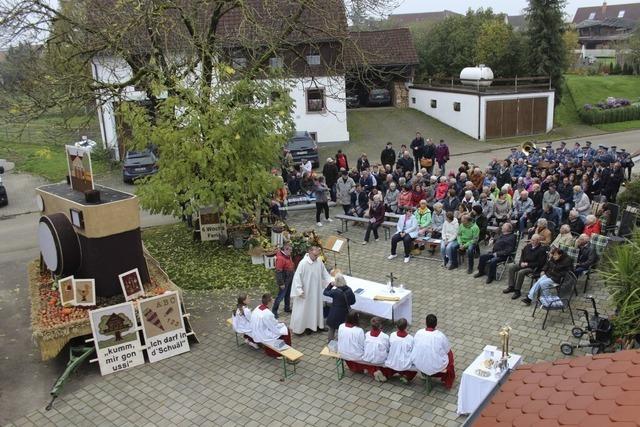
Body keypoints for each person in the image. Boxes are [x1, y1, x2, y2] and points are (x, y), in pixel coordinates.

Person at [290, 246, 333, 335]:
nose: (316, 257)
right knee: (305, 310)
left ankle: (318, 326)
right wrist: (299, 290)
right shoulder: (303, 263)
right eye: (314, 255)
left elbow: (324, 273)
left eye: (317, 255)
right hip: (306, 292)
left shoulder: (319, 261)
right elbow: (297, 278)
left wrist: (331, 281)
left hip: (316, 291)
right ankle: (306, 327)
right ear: (309, 252)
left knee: (316, 308)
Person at [411, 314, 455, 389]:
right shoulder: (440, 336)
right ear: (436, 324)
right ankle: (446, 380)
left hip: (419, 363)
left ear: (426, 323)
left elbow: (414, 345)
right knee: (450, 357)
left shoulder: (419, 333)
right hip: (436, 366)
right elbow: (448, 351)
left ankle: (424, 373)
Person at [502, 234, 547, 299]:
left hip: (532, 267)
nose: (531, 241)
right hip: (524, 263)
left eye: (533, 240)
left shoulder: (541, 250)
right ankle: (511, 286)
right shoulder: (528, 246)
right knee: (512, 267)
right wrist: (521, 262)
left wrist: (527, 264)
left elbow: (540, 263)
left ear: (538, 241)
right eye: (531, 239)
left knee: (521, 272)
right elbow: (522, 255)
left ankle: (517, 291)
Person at [250, 294, 292, 358]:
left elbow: (270, 323)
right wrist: (282, 324)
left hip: (255, 331)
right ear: (269, 302)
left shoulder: (258, 307)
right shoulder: (268, 313)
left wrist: (277, 322)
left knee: (283, 329)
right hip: (262, 334)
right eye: (272, 300)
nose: (273, 301)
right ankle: (278, 353)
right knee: (286, 331)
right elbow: (274, 327)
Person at [323, 273, 355, 343]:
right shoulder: (349, 290)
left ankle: (330, 343)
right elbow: (353, 302)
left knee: (332, 329)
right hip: (345, 313)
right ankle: (341, 343)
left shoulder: (335, 292)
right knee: (343, 330)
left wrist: (330, 285)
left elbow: (325, 292)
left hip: (335, 313)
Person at [384, 318, 417, 383]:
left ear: (397, 326)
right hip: (405, 364)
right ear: (406, 326)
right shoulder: (410, 338)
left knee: (389, 366)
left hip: (392, 362)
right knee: (415, 367)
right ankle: (406, 376)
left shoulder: (392, 335)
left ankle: (388, 375)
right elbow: (412, 351)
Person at [362, 317, 391, 382]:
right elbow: (387, 348)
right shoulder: (385, 336)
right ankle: (380, 372)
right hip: (380, 360)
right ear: (380, 325)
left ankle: (373, 371)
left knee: (372, 356)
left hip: (368, 358)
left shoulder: (367, 334)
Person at [272, 243, 294, 319]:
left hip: (289, 277)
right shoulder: (281, 258)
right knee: (280, 296)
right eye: (290, 250)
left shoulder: (287, 255)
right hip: (284, 279)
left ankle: (287, 308)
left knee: (288, 294)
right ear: (285, 249)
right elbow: (278, 272)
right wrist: (281, 283)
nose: (291, 252)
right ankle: (274, 311)